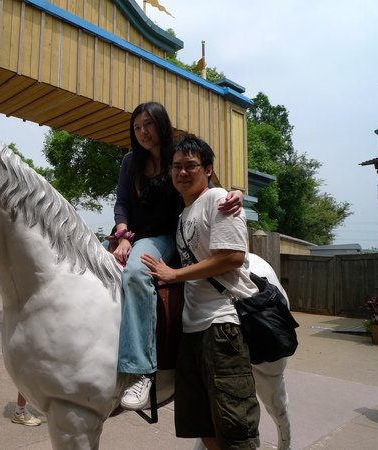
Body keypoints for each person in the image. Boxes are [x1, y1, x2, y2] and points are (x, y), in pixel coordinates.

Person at [114, 102, 242, 410]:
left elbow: (208, 186)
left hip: (167, 236)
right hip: (133, 236)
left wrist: (235, 192)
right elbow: (121, 203)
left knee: (134, 274)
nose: (143, 132)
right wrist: (122, 234)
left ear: (161, 124)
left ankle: (141, 370)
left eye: (148, 124)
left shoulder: (178, 158)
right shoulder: (131, 161)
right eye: (137, 127)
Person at [141, 134, 260, 449]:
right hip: (191, 332)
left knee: (235, 426)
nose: (182, 172)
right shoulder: (182, 216)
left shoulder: (219, 200)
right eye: (177, 166)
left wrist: (175, 273)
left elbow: (232, 256)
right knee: (202, 421)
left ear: (208, 169)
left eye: (191, 166)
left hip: (221, 327)